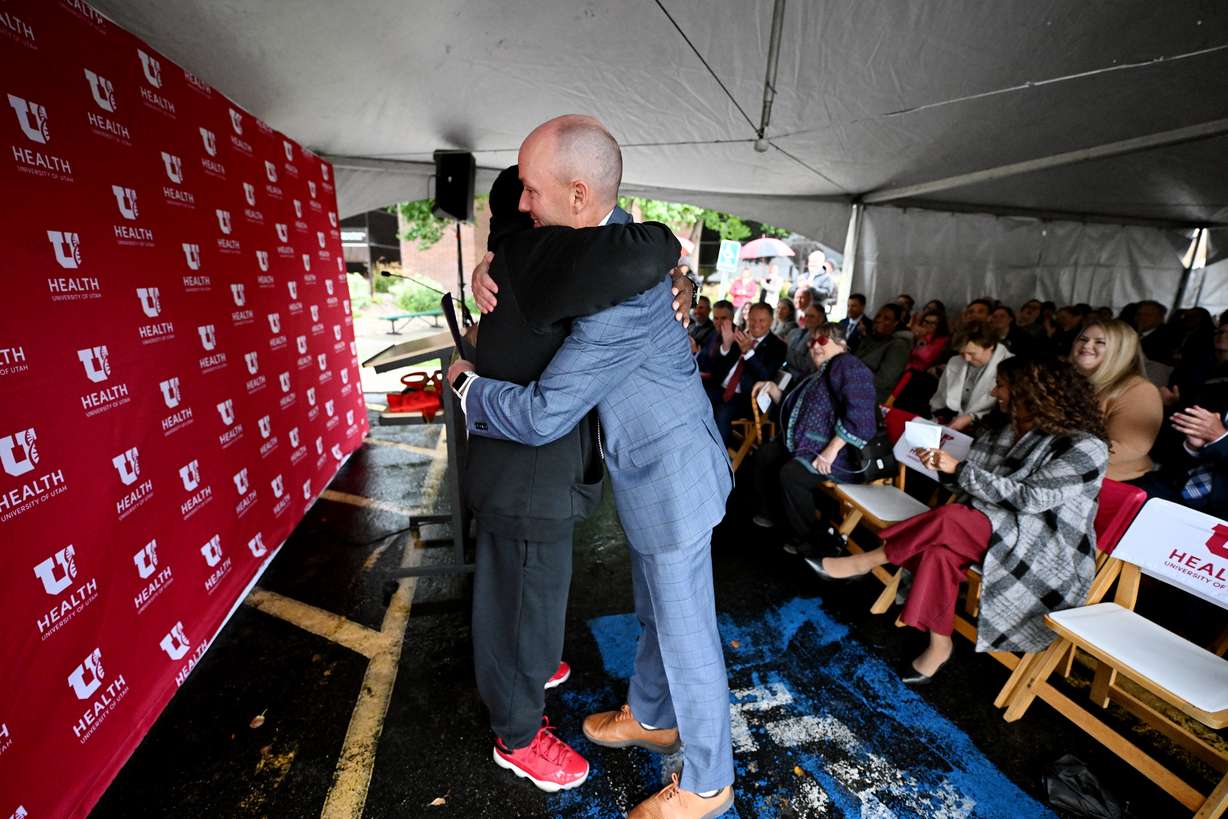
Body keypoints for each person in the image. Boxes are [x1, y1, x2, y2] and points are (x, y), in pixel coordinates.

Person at [454, 114, 735, 816]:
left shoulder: (623, 293)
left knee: (686, 630)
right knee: (656, 612)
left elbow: (547, 411)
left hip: (670, 477)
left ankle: (707, 781)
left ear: (578, 194)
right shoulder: (612, 240)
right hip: (650, 468)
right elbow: (557, 255)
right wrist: (492, 263)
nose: (523, 204)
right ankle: (649, 712)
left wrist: (467, 386)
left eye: (533, 191)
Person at [810, 356, 1109, 683]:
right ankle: (940, 645)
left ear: (1032, 393)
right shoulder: (1004, 428)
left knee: (952, 518)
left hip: (1045, 547)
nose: (995, 392)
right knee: (938, 550)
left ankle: (866, 561)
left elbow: (1030, 499)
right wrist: (943, 467)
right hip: (986, 526)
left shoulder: (1086, 447)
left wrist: (959, 469)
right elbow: (974, 485)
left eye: (1003, 385)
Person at [750, 324, 876, 552]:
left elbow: (861, 417)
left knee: (792, 475)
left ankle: (808, 540)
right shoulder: (820, 373)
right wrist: (774, 390)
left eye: (822, 341)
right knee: (765, 455)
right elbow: (795, 410)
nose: (814, 346)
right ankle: (776, 516)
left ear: (841, 344)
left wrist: (831, 450)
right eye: (811, 342)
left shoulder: (848, 365)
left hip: (837, 453)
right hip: (803, 444)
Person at [1138, 324, 1228, 513]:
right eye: (1220, 332)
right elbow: (1163, 450)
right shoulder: (1211, 391)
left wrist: (1219, 439)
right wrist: (1193, 447)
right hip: (1173, 486)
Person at [1070, 319, 1162, 483]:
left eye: (1100, 342)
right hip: (1061, 471)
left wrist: (1057, 452)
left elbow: (1129, 448)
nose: (1086, 346)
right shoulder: (1066, 379)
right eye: (1083, 339)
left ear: (1120, 351)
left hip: (1111, 481)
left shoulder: (1140, 390)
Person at [709, 301, 787, 446]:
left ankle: (718, 459)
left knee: (722, 411)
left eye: (761, 320)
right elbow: (717, 370)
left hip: (747, 398)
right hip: (722, 389)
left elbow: (765, 376)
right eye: (752, 319)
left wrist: (748, 352)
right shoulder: (739, 335)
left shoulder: (778, 346)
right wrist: (726, 346)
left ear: (771, 321)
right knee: (694, 395)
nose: (756, 324)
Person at [930, 321, 1013, 433]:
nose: (967, 359)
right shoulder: (955, 361)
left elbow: (1008, 410)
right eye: (962, 353)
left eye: (972, 353)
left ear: (990, 346)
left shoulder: (1010, 366)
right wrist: (940, 416)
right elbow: (939, 398)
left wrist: (972, 418)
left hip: (986, 430)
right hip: (949, 426)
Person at [891, 308, 951, 414]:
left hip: (922, 382)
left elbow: (926, 356)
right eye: (926, 321)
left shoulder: (943, 340)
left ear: (940, 325)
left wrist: (922, 339)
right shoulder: (917, 335)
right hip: (905, 375)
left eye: (933, 323)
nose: (928, 325)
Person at [853, 303, 911, 404]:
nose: (879, 320)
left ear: (895, 323)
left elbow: (883, 381)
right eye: (878, 316)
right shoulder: (871, 338)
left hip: (872, 396)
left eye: (886, 318)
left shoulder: (899, 345)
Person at [784, 303, 827, 379]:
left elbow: (808, 366)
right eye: (806, 315)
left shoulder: (823, 340)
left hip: (802, 380)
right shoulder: (794, 332)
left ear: (820, 319)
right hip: (785, 374)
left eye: (811, 316)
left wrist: (785, 352)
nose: (807, 319)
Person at [1133, 299, 1170, 363]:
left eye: (1148, 315)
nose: (1142, 317)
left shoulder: (1165, 338)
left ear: (1160, 318)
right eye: (1139, 314)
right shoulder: (1131, 331)